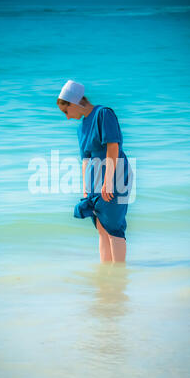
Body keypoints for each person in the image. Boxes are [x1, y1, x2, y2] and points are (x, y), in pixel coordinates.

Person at [57, 80, 132, 264]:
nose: (67, 117)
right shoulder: (81, 128)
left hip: (115, 177)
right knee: (102, 229)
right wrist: (85, 190)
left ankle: (119, 277)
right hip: (94, 183)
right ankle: (107, 278)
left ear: (74, 102)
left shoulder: (103, 114)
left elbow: (112, 147)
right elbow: (85, 160)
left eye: (66, 111)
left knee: (114, 228)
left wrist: (108, 181)